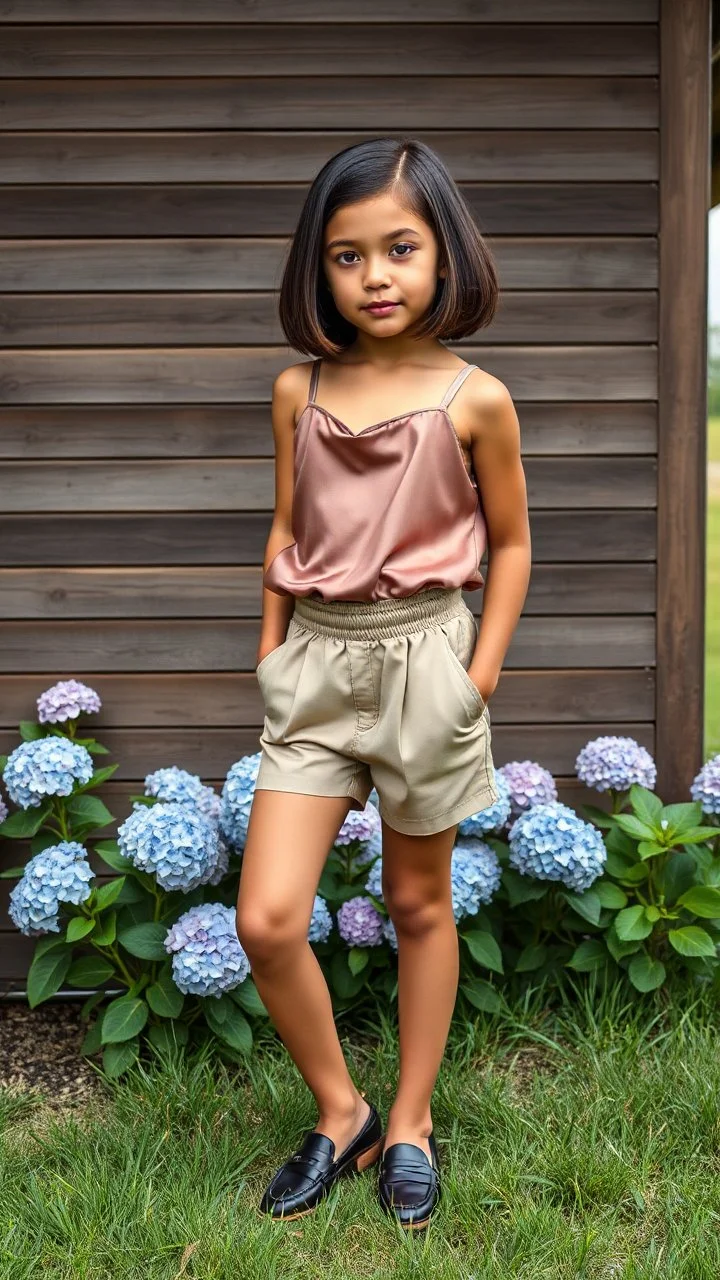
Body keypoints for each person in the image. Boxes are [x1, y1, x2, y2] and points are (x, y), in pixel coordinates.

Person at [236, 136, 531, 1231]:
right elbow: (285, 528)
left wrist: (478, 675)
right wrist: (270, 653)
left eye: (399, 248)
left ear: (443, 254)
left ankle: (409, 1119)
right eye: (348, 255)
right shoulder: (297, 389)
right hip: (313, 662)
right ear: (320, 271)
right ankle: (340, 1105)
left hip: (427, 660)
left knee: (418, 901)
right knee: (268, 917)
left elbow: (512, 544)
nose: (376, 276)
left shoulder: (476, 398)